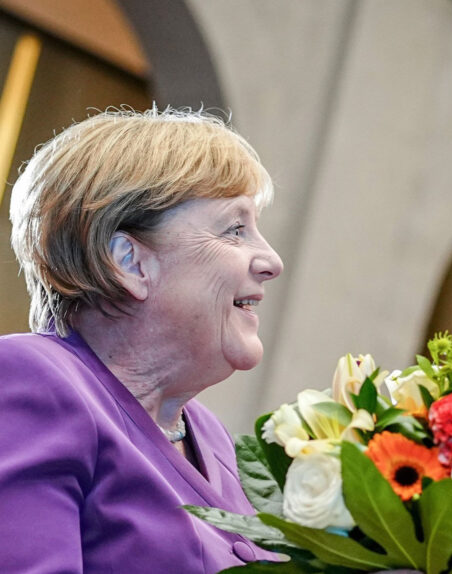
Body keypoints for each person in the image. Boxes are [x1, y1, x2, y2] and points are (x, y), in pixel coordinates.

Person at [0, 109, 284, 572]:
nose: (271, 260)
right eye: (235, 229)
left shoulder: (211, 437)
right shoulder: (31, 382)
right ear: (129, 262)